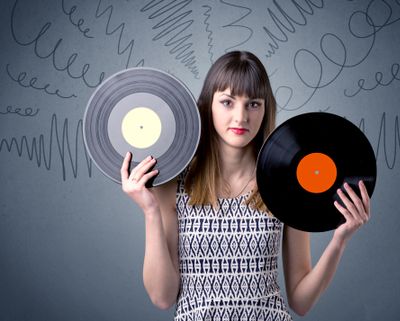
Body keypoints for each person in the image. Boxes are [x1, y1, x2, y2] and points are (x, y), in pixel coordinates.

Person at [120, 51, 371, 320]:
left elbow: (300, 302)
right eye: (227, 102)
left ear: (265, 109)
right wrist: (150, 211)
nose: (241, 117)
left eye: (253, 104)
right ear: (207, 106)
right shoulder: (175, 185)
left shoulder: (287, 182)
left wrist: (339, 240)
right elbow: (162, 297)